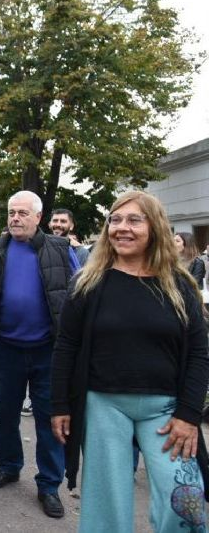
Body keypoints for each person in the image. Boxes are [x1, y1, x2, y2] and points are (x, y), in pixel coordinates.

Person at [51, 191, 209, 533]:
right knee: (106, 513)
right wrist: (60, 404)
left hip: (168, 411)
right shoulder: (88, 283)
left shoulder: (180, 285)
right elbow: (66, 346)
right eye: (115, 220)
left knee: (186, 504)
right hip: (103, 404)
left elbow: (199, 352)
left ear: (154, 227)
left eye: (134, 220)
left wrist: (190, 414)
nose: (122, 228)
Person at [0, 190, 79, 519]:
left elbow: (79, 293)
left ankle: (49, 484)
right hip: (6, 348)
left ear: (39, 217)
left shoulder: (60, 249)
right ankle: (8, 466)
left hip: (48, 351)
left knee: (49, 418)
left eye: (23, 213)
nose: (15, 218)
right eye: (12, 212)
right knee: (5, 412)